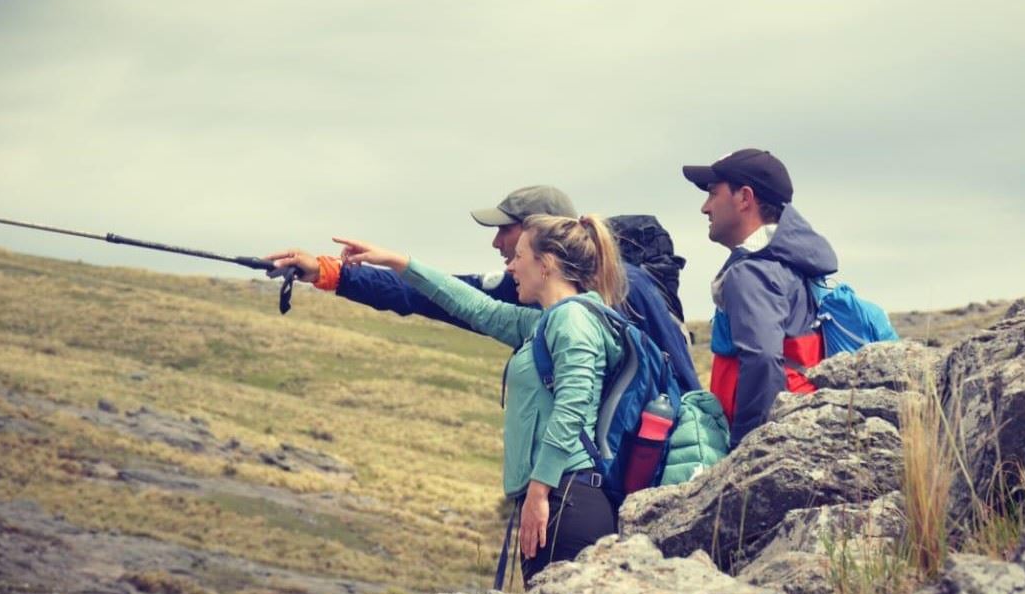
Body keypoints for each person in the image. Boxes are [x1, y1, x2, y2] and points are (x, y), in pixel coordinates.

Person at [323, 214, 624, 585]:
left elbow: (571, 410)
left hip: (567, 501)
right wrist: (400, 263)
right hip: (559, 498)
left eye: (520, 256)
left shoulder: (573, 320)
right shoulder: (546, 321)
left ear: (545, 265)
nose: (511, 265)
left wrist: (539, 491)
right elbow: (475, 308)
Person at [265, 186, 701, 392]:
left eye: (504, 231)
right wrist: (328, 272)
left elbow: (681, 383)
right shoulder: (530, 293)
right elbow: (437, 294)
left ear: (538, 234)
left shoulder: (628, 288)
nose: (496, 244)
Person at [683, 149, 838, 449]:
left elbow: (763, 360)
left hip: (776, 437)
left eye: (714, 194)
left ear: (744, 198)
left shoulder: (750, 273)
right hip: (800, 424)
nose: (705, 207)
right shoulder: (792, 263)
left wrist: (747, 448)